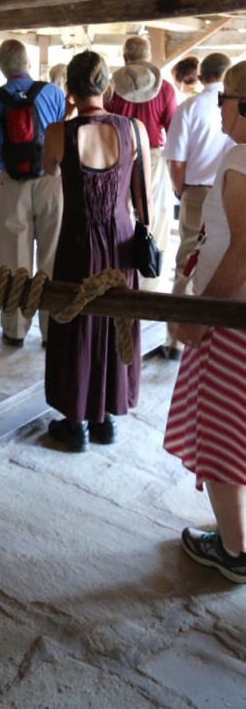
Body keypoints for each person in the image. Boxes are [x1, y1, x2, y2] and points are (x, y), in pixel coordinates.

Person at [42, 51, 153, 452]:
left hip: (77, 241)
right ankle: (105, 419)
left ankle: (76, 424)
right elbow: (143, 197)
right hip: (121, 240)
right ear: (107, 87)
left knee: (75, 326)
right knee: (114, 322)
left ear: (70, 91)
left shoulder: (58, 133)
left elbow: (50, 169)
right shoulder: (134, 129)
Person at [163, 60, 246, 584]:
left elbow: (241, 253)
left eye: (227, 100)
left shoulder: (241, 160)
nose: (219, 107)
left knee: (221, 433)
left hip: (230, 319)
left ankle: (235, 549)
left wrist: (199, 316)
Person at [0, 39, 65, 348]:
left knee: (15, 259)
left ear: (2, 68)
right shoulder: (53, 93)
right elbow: (63, 138)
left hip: (12, 185)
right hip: (51, 180)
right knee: (52, 255)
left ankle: (15, 329)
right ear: (27, 61)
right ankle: (52, 330)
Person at [161, 52, 232, 360]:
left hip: (198, 191)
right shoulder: (233, 108)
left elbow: (176, 159)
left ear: (200, 77)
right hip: (230, 187)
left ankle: (176, 339)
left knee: (187, 262)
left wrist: (181, 190)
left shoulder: (189, 107)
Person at [106, 35, 177, 289]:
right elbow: (172, 129)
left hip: (116, 155)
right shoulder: (165, 89)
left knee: (118, 216)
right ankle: (149, 282)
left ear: (125, 57)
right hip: (154, 157)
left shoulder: (111, 86)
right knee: (154, 219)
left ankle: (119, 277)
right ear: (148, 59)